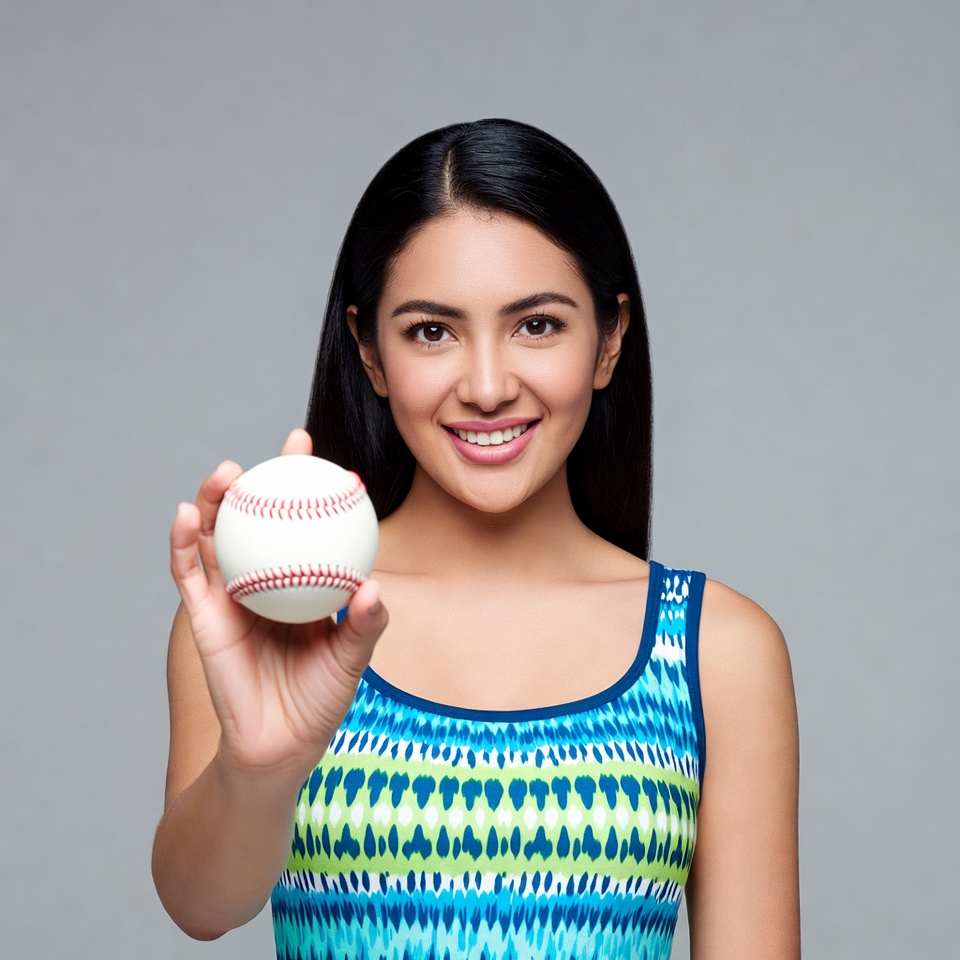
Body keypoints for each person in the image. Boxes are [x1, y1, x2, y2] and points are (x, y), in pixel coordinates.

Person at [152, 119, 800, 959]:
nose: (488, 387)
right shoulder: (274, 620)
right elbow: (200, 907)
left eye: (538, 325)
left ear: (609, 341)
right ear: (370, 354)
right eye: (432, 331)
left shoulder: (717, 649)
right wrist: (259, 767)